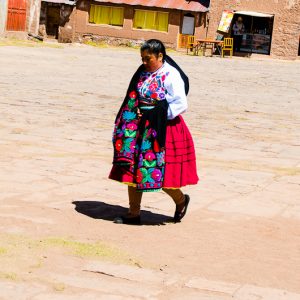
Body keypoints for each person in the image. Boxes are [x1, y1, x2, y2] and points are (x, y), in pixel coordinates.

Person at [109, 39, 199, 225]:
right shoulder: (143, 72)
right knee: (134, 170)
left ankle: (181, 201)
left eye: (148, 59)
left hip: (163, 129)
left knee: (162, 174)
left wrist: (156, 115)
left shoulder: (171, 75)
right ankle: (133, 213)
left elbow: (181, 104)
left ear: (160, 56)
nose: (144, 63)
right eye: (142, 58)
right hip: (140, 129)